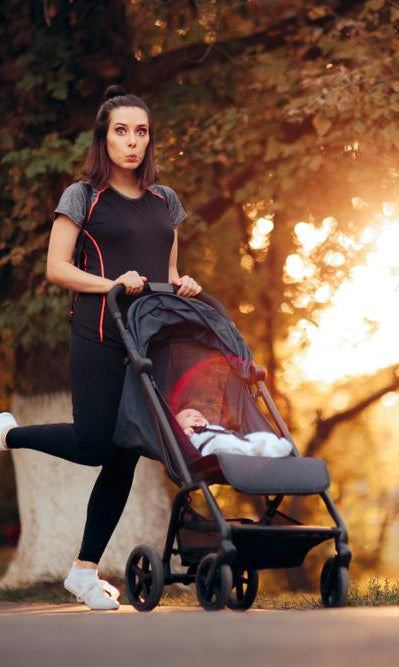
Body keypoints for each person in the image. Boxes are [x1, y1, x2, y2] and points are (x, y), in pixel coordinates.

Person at [0, 85, 202, 610]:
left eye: (141, 131)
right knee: (95, 444)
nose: (132, 142)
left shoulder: (166, 201)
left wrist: (184, 284)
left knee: (126, 452)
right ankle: (10, 433)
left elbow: (170, 270)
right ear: (104, 137)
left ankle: (84, 572)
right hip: (98, 333)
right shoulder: (82, 196)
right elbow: (57, 268)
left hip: (148, 342)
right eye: (121, 131)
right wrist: (114, 281)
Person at [175, 408, 292, 457]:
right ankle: (255, 451)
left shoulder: (213, 428)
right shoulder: (189, 434)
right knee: (222, 442)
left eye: (199, 415)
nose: (196, 416)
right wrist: (185, 435)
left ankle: (276, 448)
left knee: (262, 436)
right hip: (211, 450)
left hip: (236, 440)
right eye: (188, 416)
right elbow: (185, 444)